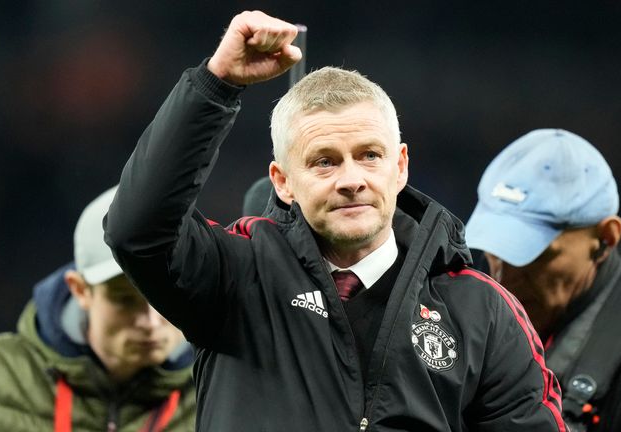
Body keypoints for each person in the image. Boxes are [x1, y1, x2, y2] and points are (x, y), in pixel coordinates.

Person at [105, 10, 566, 431]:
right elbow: (138, 232)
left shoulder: (479, 311)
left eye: (369, 155)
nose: (351, 179)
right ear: (283, 181)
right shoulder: (237, 277)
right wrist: (216, 84)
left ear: (401, 166)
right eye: (324, 162)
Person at [464, 128, 621, 431]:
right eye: (496, 251)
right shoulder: (481, 327)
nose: (504, 280)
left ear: (606, 238)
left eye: (532, 255)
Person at [0, 187, 196, 431]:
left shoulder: (216, 389)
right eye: (125, 300)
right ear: (80, 290)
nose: (151, 321)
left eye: (164, 297)